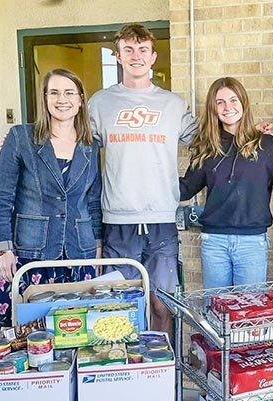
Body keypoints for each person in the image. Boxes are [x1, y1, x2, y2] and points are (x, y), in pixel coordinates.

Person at [88, 23, 198, 332]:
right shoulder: (99, 104)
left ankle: (160, 372)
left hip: (161, 219)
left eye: (142, 50)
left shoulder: (174, 105)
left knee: (163, 304)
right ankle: (124, 374)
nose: (136, 56)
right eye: (128, 50)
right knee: (118, 307)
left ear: (153, 57)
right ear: (118, 56)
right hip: (117, 221)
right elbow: (70, 143)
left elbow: (208, 144)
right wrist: (27, 137)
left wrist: (251, 134)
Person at [0, 69, 102, 328]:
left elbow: (93, 200)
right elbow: (2, 198)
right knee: (26, 333)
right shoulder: (20, 138)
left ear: (81, 99)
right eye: (54, 92)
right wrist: (3, 249)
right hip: (30, 253)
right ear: (45, 98)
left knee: (76, 332)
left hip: (78, 253)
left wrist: (97, 244)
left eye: (69, 92)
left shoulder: (90, 145)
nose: (62, 99)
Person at [179, 77, 273, 289]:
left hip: (252, 243)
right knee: (215, 310)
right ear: (213, 109)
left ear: (243, 102)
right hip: (213, 243)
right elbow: (185, 188)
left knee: (249, 314)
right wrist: (150, 178)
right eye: (220, 102)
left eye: (233, 100)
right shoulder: (207, 148)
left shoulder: (266, 146)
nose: (228, 107)